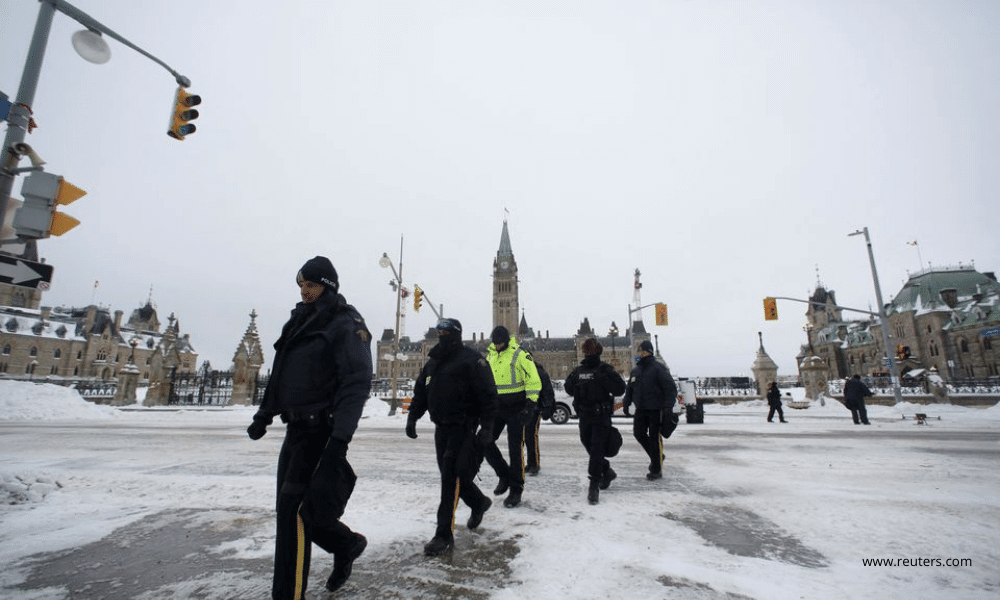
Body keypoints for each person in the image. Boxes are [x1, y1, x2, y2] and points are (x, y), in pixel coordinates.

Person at [246, 256, 373, 599]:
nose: (305, 292)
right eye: (301, 286)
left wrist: (341, 439)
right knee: (289, 515)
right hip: (295, 430)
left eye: (312, 285)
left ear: (328, 287)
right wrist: (265, 413)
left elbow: (356, 381)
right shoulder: (298, 321)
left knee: (296, 516)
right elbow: (282, 372)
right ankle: (345, 544)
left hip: (322, 431)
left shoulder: (344, 322)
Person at [405, 318, 499, 556]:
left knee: (450, 479)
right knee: (452, 477)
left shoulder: (471, 360)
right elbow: (421, 391)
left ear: (456, 334)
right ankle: (478, 502)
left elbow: (489, 395)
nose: (442, 335)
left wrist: (487, 426)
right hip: (441, 428)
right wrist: (413, 416)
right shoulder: (433, 362)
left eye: (446, 331)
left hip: (464, 427)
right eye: (439, 332)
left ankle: (443, 534)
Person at [484, 326, 541, 508]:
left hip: (517, 407)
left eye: (500, 342)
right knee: (484, 440)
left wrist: (530, 404)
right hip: (497, 407)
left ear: (506, 341)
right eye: (495, 343)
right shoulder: (490, 355)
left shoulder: (520, 354)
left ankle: (516, 489)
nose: (498, 346)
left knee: (515, 450)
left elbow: (534, 379)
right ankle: (504, 475)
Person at [564, 338, 626, 504]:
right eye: (587, 351)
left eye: (591, 351)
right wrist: (576, 379)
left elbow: (620, 388)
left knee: (597, 448)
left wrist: (603, 379)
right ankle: (606, 471)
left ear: (598, 352)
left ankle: (594, 484)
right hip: (584, 416)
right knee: (589, 445)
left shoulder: (606, 369)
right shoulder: (579, 370)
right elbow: (568, 388)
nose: (589, 354)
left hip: (601, 416)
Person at [622, 340, 678, 480]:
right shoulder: (636, 370)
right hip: (641, 408)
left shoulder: (658, 368)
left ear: (650, 352)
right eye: (640, 351)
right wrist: (626, 403)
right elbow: (630, 389)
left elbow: (670, 388)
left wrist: (667, 407)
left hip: (655, 409)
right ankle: (657, 456)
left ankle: (656, 469)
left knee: (654, 438)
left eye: (644, 351)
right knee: (638, 433)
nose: (642, 353)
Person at [523, 352, 556, 476]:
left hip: (535, 410)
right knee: (526, 438)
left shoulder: (540, 372)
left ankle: (535, 464)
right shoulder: (522, 372)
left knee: (531, 437)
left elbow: (548, 392)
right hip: (523, 410)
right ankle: (530, 463)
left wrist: (547, 407)